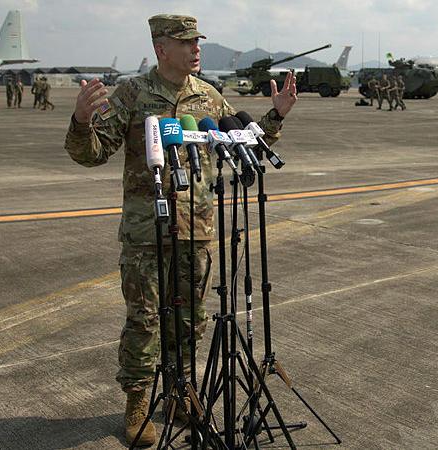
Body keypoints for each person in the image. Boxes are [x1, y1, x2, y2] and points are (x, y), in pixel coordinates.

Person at [63, 14, 298, 446]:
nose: (196, 49)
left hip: (197, 228)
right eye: (186, 42)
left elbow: (241, 138)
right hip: (146, 232)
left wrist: (275, 117)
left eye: (197, 41)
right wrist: (81, 122)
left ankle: (178, 394)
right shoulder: (132, 94)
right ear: (161, 48)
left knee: (191, 321)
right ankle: (137, 403)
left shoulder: (209, 97)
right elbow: (92, 154)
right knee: (145, 320)